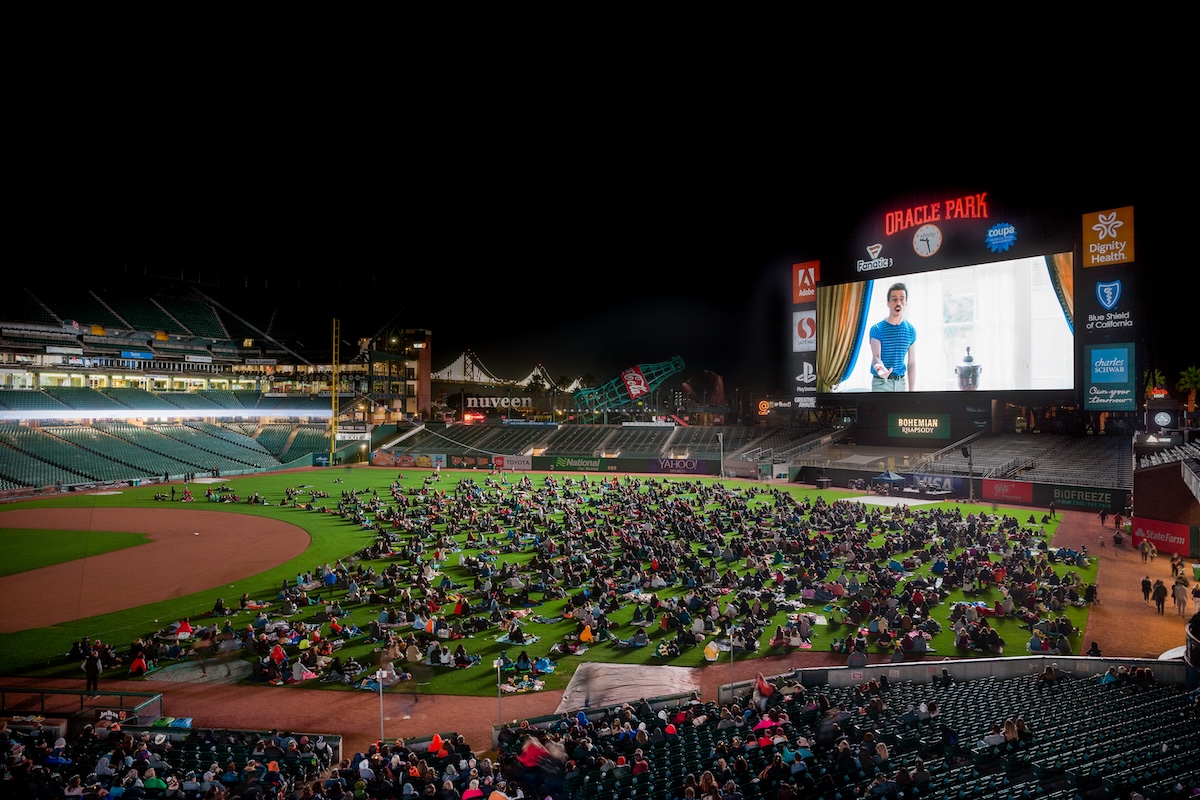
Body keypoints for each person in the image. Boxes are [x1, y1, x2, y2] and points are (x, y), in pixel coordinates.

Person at [869, 282, 916, 392]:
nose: (898, 303)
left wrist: (912, 392)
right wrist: (880, 370)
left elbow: (912, 363)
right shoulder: (877, 329)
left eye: (902, 299)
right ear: (888, 303)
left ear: (906, 303)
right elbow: (876, 356)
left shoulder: (910, 330)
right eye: (894, 299)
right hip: (881, 383)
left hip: (901, 383)